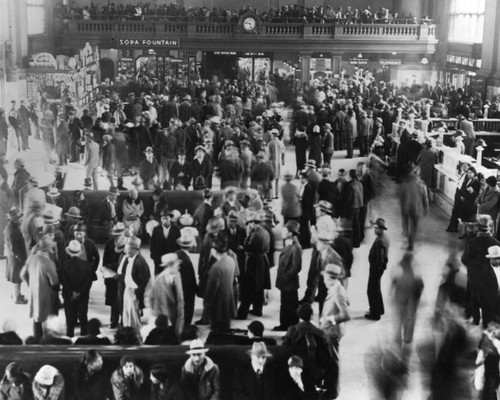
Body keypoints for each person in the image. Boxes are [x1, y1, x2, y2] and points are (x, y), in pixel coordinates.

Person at [319, 264, 350, 400]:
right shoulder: (335, 288)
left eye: (325, 278)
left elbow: (346, 314)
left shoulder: (337, 291)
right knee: (330, 360)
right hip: (330, 331)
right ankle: (329, 386)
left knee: (333, 362)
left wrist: (331, 318)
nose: (324, 281)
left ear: (331, 278)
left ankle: (333, 392)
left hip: (332, 332)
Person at [21, 236, 60, 339]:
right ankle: (47, 339)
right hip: (47, 294)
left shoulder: (31, 258)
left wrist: (31, 284)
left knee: (36, 317)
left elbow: (23, 274)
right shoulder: (48, 263)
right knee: (48, 318)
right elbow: (54, 281)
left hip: (34, 292)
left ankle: (36, 338)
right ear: (49, 249)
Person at [237, 212, 271, 319]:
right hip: (263, 260)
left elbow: (248, 246)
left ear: (252, 223)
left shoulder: (254, 233)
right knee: (259, 286)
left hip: (254, 261)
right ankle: (257, 309)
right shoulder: (265, 232)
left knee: (248, 286)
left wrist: (247, 236)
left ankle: (242, 313)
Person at [390, 252, 424, 349]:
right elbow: (420, 286)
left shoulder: (399, 268)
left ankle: (399, 339)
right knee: (409, 319)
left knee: (399, 319)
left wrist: (391, 293)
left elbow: (393, 282)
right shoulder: (416, 271)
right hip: (410, 300)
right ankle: (407, 339)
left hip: (402, 298)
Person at [116, 236, 151, 330]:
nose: (125, 251)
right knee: (127, 316)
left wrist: (137, 295)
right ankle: (127, 332)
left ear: (134, 249)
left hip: (134, 292)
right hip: (128, 290)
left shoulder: (140, 262)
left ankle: (134, 335)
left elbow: (145, 282)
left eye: (127, 249)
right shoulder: (130, 258)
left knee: (133, 319)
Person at [204, 234, 236, 332]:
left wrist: (206, 301)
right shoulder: (231, 260)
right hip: (228, 298)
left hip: (217, 304)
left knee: (217, 330)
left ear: (214, 250)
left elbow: (211, 288)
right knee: (226, 326)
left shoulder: (216, 267)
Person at [60, 240, 92, 337]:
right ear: (80, 252)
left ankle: (69, 338)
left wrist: (72, 293)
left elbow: (64, 282)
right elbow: (88, 282)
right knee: (83, 318)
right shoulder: (86, 265)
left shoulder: (64, 265)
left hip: (69, 296)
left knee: (70, 320)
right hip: (83, 296)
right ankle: (83, 338)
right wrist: (80, 292)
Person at [149, 253, 185, 339]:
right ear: (169, 266)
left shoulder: (178, 275)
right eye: (176, 265)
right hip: (165, 316)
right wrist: (159, 316)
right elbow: (151, 299)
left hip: (178, 314)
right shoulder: (158, 280)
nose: (178, 266)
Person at [274, 220, 302, 331]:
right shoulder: (289, 243)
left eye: (285, 230)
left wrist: (286, 275)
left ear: (291, 233)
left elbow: (296, 267)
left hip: (289, 282)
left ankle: (289, 326)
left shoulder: (296, 247)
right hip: (285, 281)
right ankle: (284, 324)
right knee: (285, 304)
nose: (283, 232)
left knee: (289, 305)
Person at [399, 167, 429, 250]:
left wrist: (402, 206)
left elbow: (402, 197)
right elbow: (425, 198)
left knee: (406, 224)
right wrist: (426, 209)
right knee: (414, 226)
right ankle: (411, 242)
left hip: (406, 208)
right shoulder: (422, 185)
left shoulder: (405, 184)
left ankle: (407, 235)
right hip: (417, 209)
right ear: (418, 175)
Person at [365, 218, 390, 321]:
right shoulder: (384, 236)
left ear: (380, 229)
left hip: (376, 269)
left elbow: (379, 258)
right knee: (377, 288)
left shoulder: (380, 241)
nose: (374, 230)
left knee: (371, 290)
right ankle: (380, 309)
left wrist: (377, 269)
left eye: (376, 228)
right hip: (379, 269)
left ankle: (375, 314)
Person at [4, 208, 28, 304]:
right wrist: (22, 258)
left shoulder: (12, 227)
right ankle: (17, 297)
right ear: (13, 219)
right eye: (19, 218)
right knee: (17, 280)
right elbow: (15, 249)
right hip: (16, 260)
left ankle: (16, 294)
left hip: (14, 259)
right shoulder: (12, 231)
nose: (21, 219)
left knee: (17, 279)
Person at [176, 229, 198, 326]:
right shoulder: (186, 260)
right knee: (187, 313)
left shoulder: (177, 254)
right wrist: (198, 290)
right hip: (186, 292)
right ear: (190, 246)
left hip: (178, 290)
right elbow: (190, 280)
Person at [150, 209, 181, 276]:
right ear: (161, 219)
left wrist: (176, 257)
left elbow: (179, 245)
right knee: (159, 277)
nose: (165, 220)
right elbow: (152, 244)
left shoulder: (176, 229)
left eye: (167, 218)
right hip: (159, 259)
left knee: (170, 277)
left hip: (171, 258)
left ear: (170, 218)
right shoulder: (156, 229)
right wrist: (155, 257)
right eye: (163, 218)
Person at [480, 246, 500, 328]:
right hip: (489, 303)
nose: (498, 260)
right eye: (496, 258)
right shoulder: (486, 271)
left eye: (499, 258)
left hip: (498, 302)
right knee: (488, 324)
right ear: (491, 259)